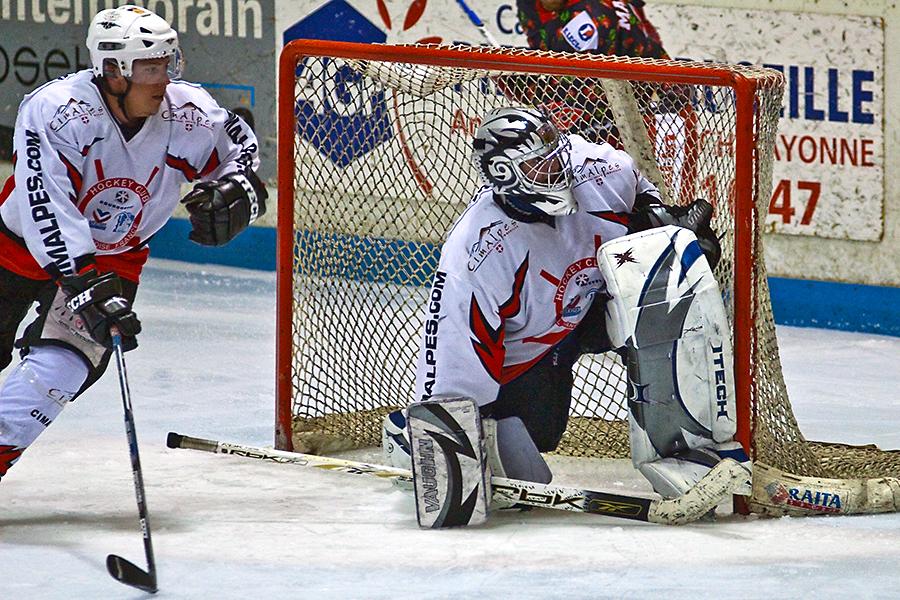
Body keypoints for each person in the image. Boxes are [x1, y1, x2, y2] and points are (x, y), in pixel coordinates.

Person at [383, 106, 748, 525]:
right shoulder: (478, 252)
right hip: (522, 357)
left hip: (589, 311)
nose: (558, 172)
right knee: (534, 444)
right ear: (504, 174)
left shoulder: (598, 167)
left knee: (670, 295)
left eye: (556, 157)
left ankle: (689, 446)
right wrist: (445, 447)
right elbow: (455, 354)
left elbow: (641, 199)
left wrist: (671, 233)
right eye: (540, 166)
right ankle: (406, 436)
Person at [0, 5, 266, 481]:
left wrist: (239, 189)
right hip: (15, 247)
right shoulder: (57, 111)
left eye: (167, 64)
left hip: (117, 258)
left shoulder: (188, 113)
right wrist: (83, 284)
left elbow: (239, 147)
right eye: (149, 68)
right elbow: (48, 207)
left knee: (61, 371)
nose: (162, 80)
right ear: (112, 72)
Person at [517, 0, 669, 59]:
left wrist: (529, 89)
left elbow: (574, 94)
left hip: (648, 91)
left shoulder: (588, 17)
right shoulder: (528, 5)